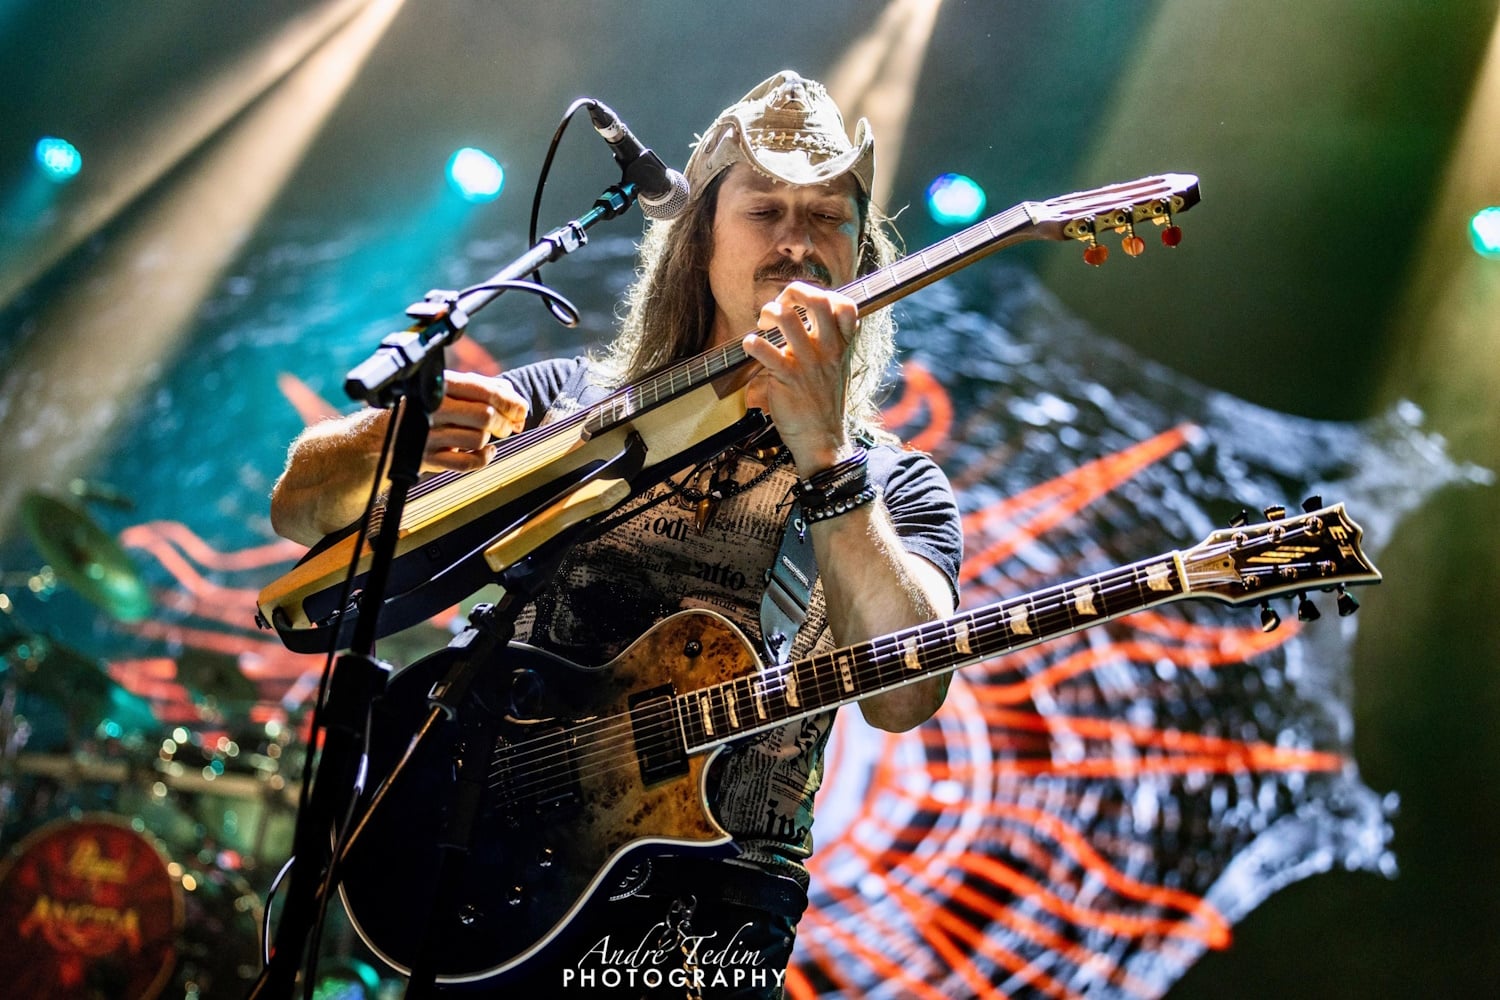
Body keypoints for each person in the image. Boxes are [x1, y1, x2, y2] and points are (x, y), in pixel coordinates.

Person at [270, 70, 962, 998]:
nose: (798, 241)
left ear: (862, 254)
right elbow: (300, 515)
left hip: (705, 921)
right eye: (766, 210)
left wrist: (828, 456)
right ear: (701, 236)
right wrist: (373, 446)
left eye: (829, 216)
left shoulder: (899, 484)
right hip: (488, 874)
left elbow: (903, 697)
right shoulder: (567, 408)